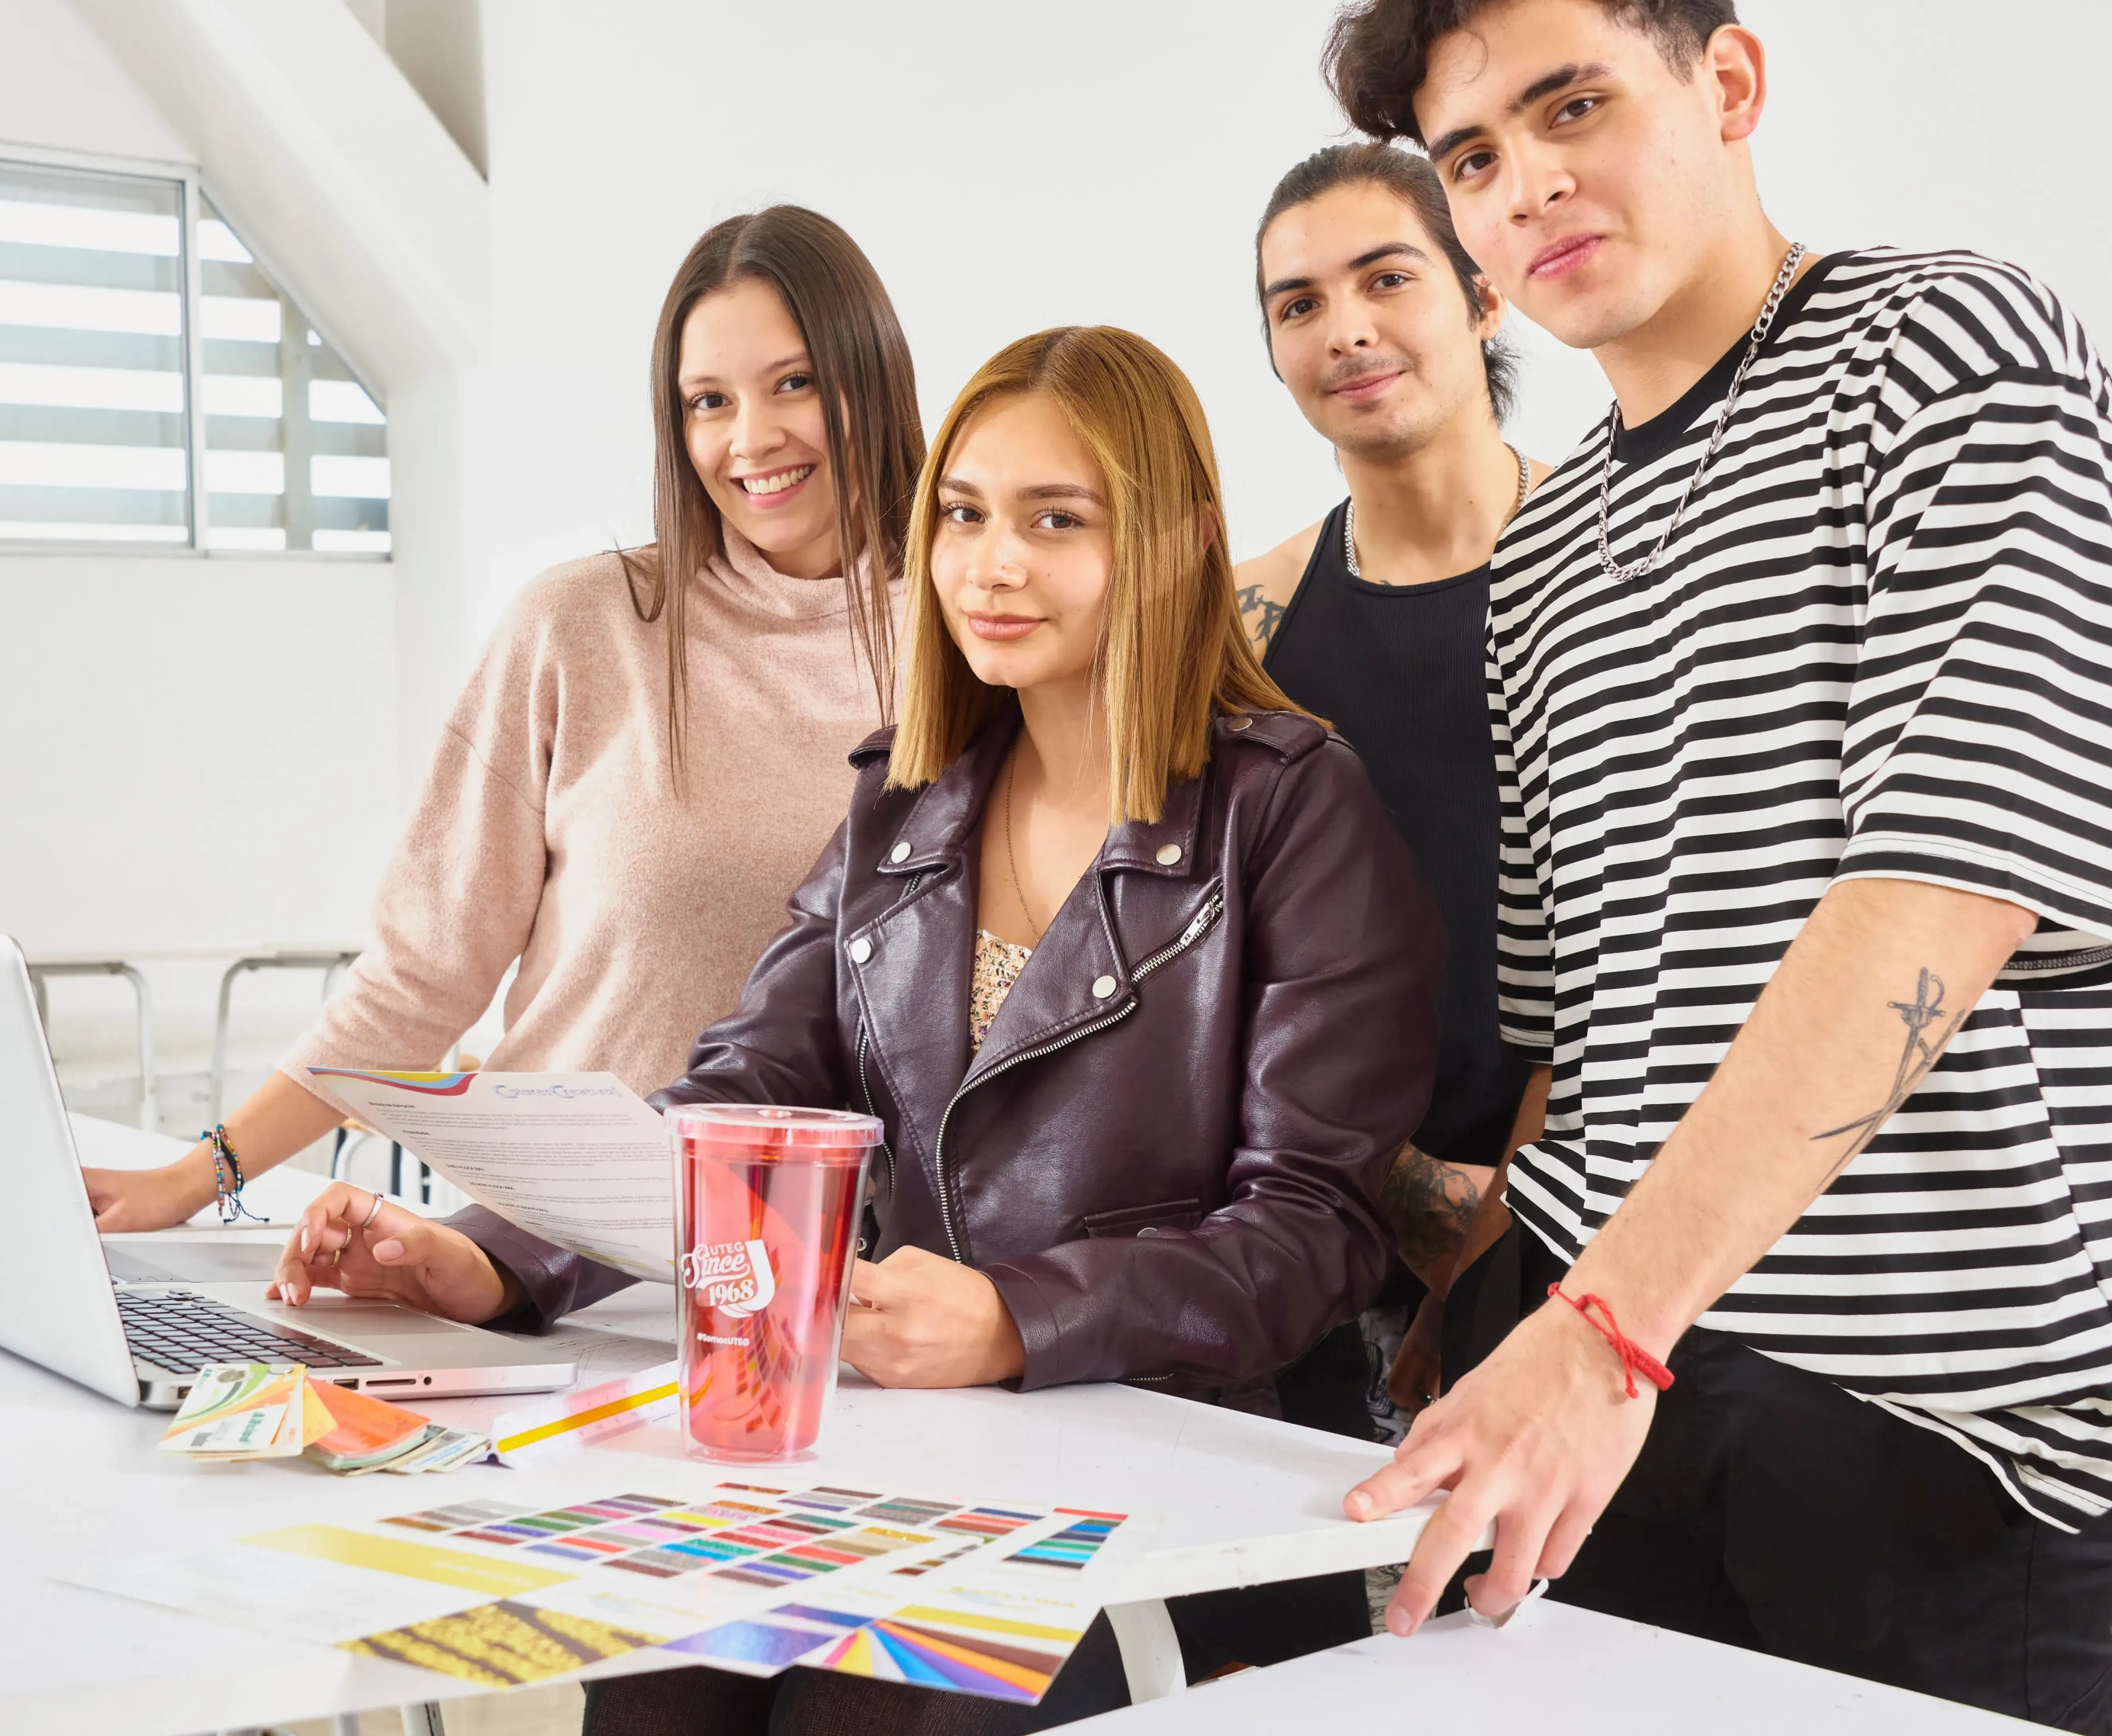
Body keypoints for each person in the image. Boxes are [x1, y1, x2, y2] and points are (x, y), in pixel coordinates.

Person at [278, 324, 1443, 1730]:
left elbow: (1316, 1227)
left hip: (1151, 1472)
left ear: (1182, 542)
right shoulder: (909, 800)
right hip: (893, 1444)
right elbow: (746, 1086)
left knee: (858, 1711)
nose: (989, 565)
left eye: (1053, 520)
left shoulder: (1293, 810)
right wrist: (492, 1259)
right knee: (653, 1674)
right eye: (962, 515)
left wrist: (1019, 1317)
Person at [1322, 0, 2112, 1734]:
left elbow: (1940, 898)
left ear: (1728, 82)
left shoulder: (1950, 356)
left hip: (1924, 1432)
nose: (1525, 187)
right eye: (1470, 157)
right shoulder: (1545, 544)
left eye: (1574, 108)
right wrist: (1487, 1315)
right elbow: (1574, 1025)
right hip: (1607, 1400)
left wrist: (1606, 1330)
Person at [80, 206, 922, 1232]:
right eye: (708, 401)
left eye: (793, 382)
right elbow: (422, 977)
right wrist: (200, 1173)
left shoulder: (968, 653)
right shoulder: (581, 627)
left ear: (868, 377)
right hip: (535, 1253)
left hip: (801, 1284)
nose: (751, 440)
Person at [1234, 142, 1554, 1423]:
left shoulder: (1622, 582)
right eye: (1299, 305)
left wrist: (1494, 1241)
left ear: (1484, 296)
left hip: (1587, 1243)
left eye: (1388, 280)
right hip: (1318, 1239)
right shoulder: (1247, 625)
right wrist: (1396, 1195)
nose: (1347, 332)